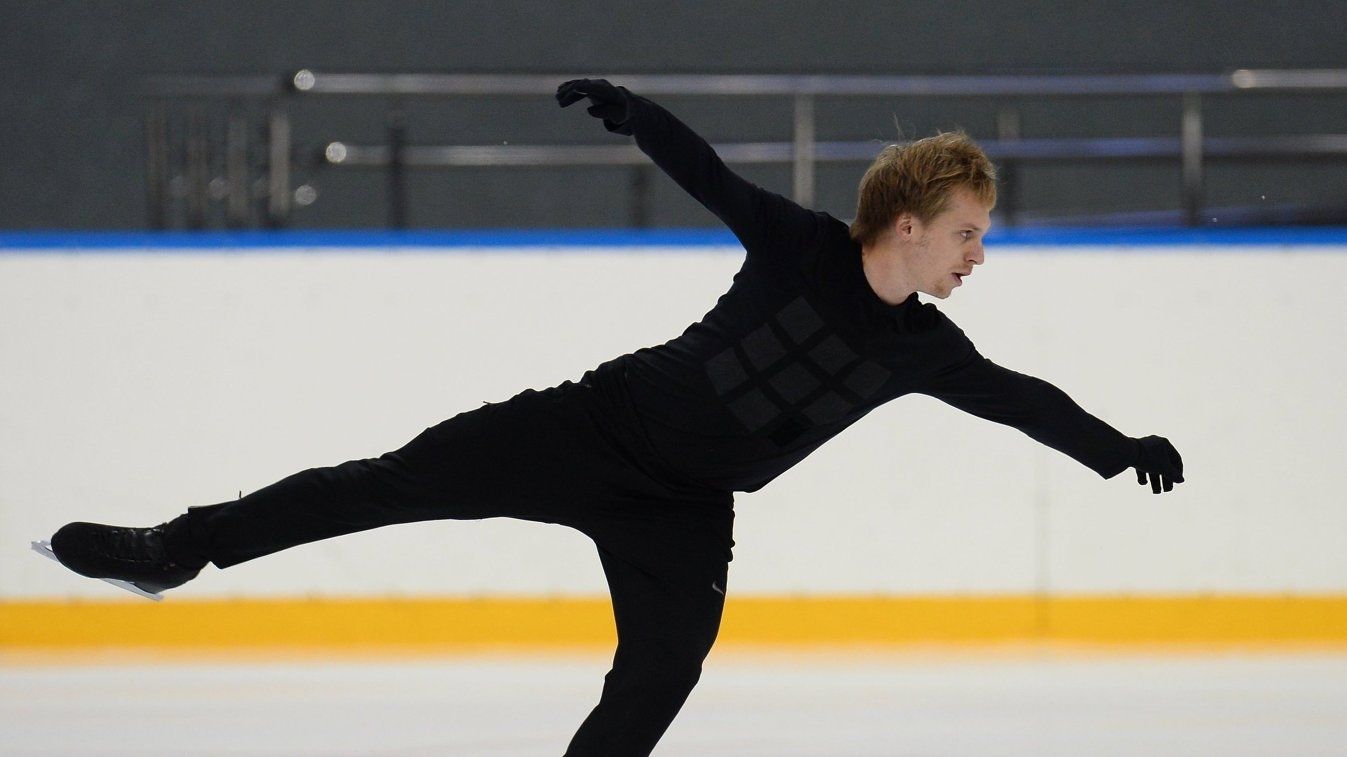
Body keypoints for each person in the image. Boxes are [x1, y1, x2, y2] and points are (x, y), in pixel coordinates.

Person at [47, 79, 1184, 756]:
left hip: (684, 507)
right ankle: (178, 547)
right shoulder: (800, 246)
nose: (981, 253)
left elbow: (1023, 402)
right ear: (908, 223)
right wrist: (638, 114)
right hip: (590, 426)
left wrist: (1117, 448)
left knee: (665, 666)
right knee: (385, 482)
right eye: (969, 233)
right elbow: (712, 177)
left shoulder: (927, 349)